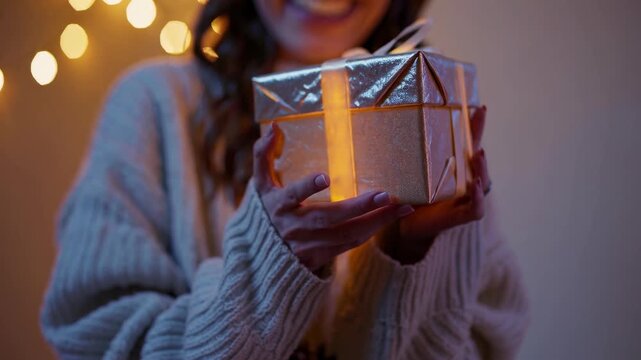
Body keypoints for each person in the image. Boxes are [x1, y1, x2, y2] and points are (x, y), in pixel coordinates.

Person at [41, 0, 529, 358]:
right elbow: (96, 342)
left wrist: (414, 254)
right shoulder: (154, 104)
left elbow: (487, 340)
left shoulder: (433, 114)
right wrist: (267, 269)